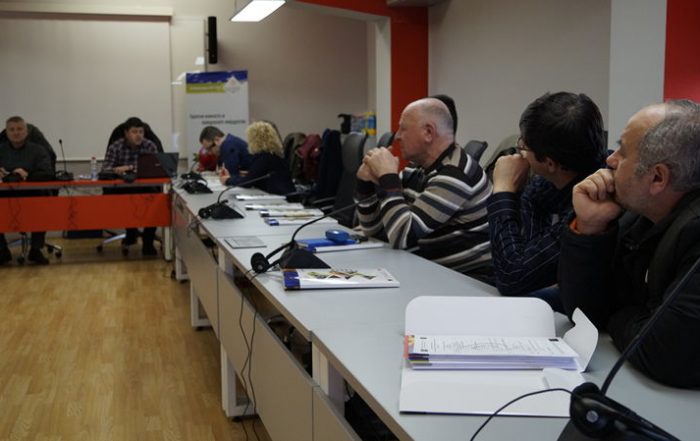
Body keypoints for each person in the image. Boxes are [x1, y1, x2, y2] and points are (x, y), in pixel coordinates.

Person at [559, 100, 700, 387]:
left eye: (622, 151)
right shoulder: (638, 214)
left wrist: (614, 312)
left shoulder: (694, 232)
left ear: (657, 178)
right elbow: (582, 312)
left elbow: (664, 354)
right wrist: (590, 226)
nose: (610, 160)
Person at [487, 92, 606, 310]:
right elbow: (525, 260)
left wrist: (503, 190)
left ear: (550, 163)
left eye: (524, 146)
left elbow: (512, 277)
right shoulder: (552, 182)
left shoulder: (594, 201)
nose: (520, 151)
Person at [356, 97, 492, 279]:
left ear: (428, 132)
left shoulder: (455, 173)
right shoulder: (416, 168)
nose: (397, 136)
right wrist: (366, 184)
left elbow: (402, 236)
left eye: (403, 129)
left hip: (467, 281)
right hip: (430, 271)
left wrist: (388, 177)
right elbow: (377, 230)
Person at [101, 117, 159, 255]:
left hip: (145, 187)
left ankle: (148, 240)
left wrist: (129, 168)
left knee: (157, 201)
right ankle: (131, 231)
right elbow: (105, 169)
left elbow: (156, 167)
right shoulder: (116, 147)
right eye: (134, 132)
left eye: (141, 132)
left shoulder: (150, 146)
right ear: (126, 133)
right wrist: (115, 170)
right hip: (123, 188)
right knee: (123, 201)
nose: (138, 135)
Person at [0, 116, 54, 265]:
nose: (16, 133)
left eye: (19, 129)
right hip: (5, 194)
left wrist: (27, 174)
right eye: (12, 129)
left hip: (33, 193)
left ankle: (36, 250)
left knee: (42, 205)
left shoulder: (38, 150)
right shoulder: (1, 149)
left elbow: (48, 173)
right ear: (7, 132)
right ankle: (2, 251)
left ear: (26, 131)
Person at [219, 121, 295, 195]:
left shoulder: (264, 157)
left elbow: (248, 182)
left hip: (282, 198)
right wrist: (234, 176)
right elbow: (254, 176)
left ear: (255, 140)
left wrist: (227, 180)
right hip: (283, 194)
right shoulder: (272, 154)